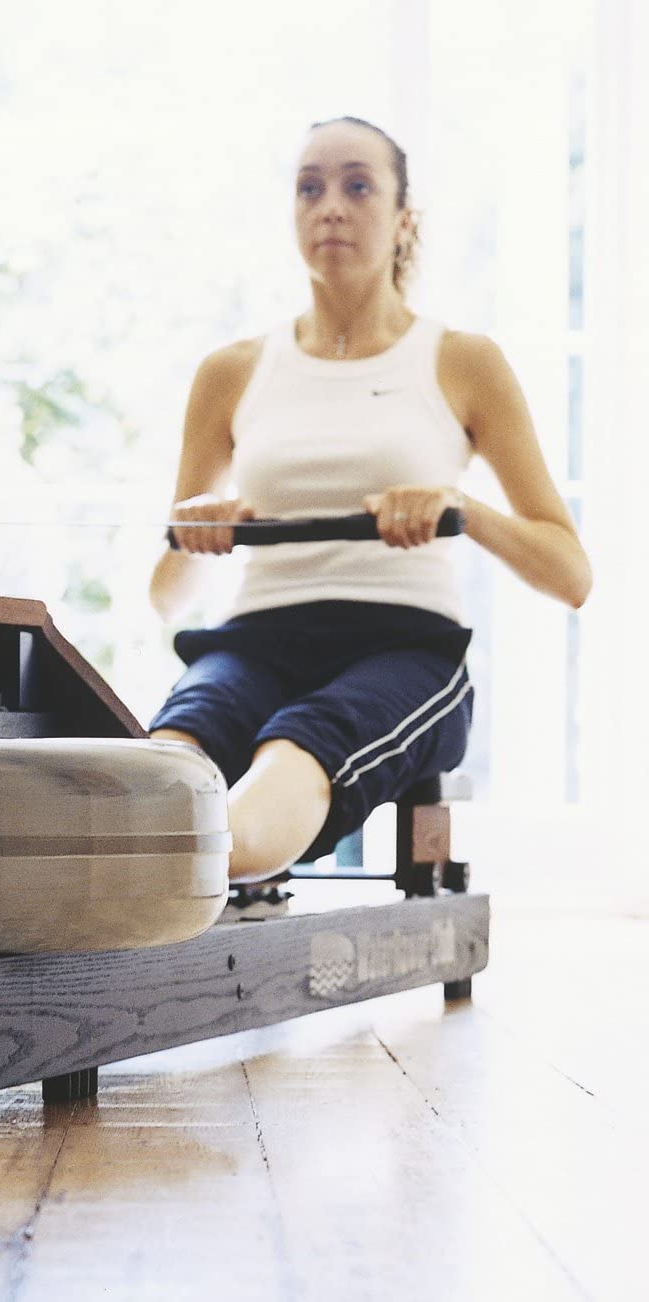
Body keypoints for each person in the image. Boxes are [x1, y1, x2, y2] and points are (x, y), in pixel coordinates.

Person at [146, 115, 592, 897]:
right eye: (309, 188)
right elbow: (164, 592)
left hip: (404, 644)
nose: (331, 207)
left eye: (358, 186)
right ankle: (136, 871)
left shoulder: (462, 361)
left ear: (403, 218)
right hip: (255, 641)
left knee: (298, 746)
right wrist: (195, 533)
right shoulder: (233, 370)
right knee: (169, 757)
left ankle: (187, 872)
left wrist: (461, 508)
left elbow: (571, 575)